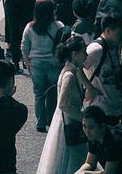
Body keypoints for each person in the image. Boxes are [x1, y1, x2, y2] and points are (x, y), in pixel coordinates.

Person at [38, 36, 93, 174]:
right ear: (75, 55)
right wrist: (82, 117)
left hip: (67, 122)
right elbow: (63, 104)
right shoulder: (69, 74)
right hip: (68, 123)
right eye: (84, 51)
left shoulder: (72, 69)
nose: (86, 54)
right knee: (71, 160)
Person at [21, 0, 63, 132]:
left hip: (36, 64)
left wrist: (27, 62)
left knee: (39, 94)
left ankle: (40, 122)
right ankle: (51, 121)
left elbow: (24, 46)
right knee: (52, 93)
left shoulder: (30, 27)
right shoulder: (58, 26)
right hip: (53, 63)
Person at [84, 14, 122, 127]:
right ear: (107, 30)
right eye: (118, 34)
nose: (121, 38)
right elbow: (77, 68)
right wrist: (89, 87)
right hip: (99, 110)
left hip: (113, 108)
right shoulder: (96, 49)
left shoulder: (113, 47)